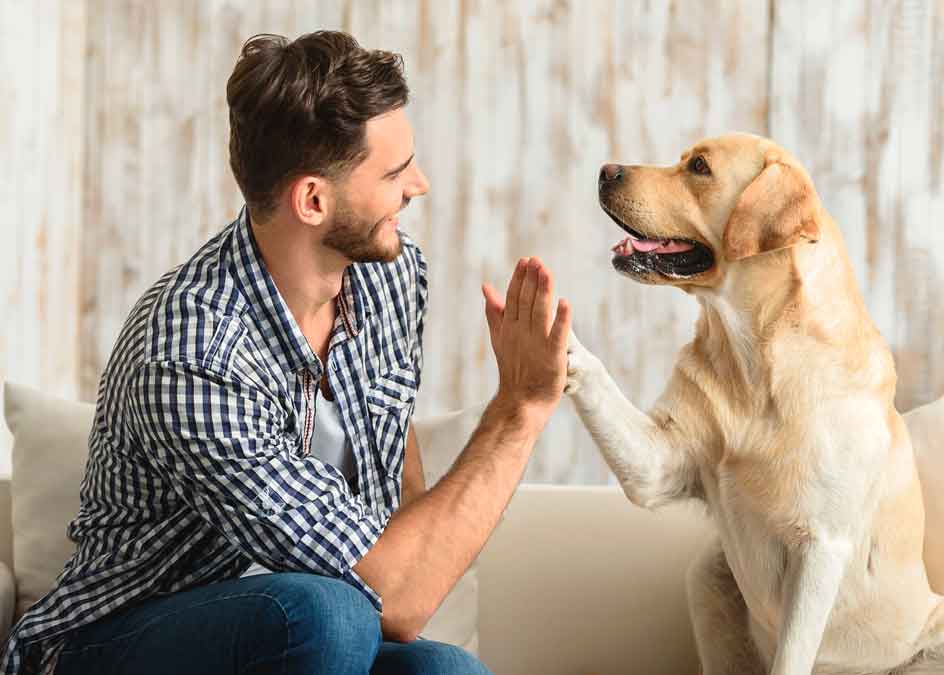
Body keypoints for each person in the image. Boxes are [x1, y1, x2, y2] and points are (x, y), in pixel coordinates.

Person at [0, 30, 571, 675]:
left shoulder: (389, 274)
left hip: (319, 637)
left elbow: (396, 470)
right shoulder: (193, 352)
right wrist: (519, 408)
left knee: (445, 670)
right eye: (393, 171)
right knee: (324, 614)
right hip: (122, 641)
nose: (420, 184)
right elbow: (396, 598)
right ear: (313, 200)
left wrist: (406, 570)